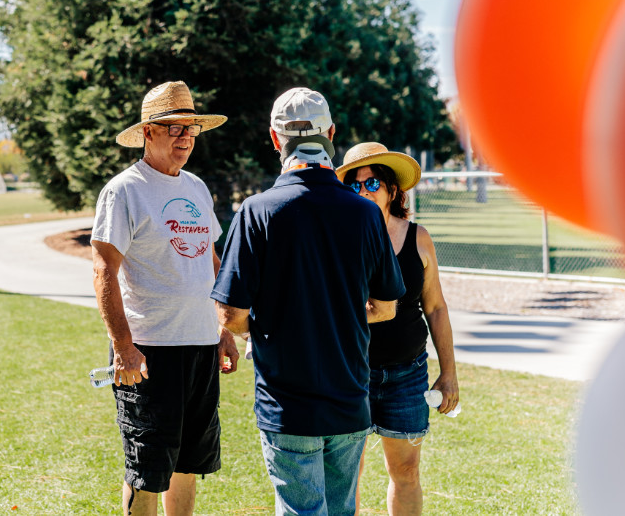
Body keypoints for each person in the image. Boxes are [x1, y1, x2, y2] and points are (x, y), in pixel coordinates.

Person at [212, 87, 406, 516]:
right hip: (349, 398)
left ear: (275, 139)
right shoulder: (366, 213)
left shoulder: (256, 211)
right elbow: (387, 307)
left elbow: (230, 314)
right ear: (332, 133)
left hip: (287, 403)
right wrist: (334, 317)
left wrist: (274, 325)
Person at [91, 80, 241, 516]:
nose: (185, 138)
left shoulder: (195, 187)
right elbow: (104, 270)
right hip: (149, 351)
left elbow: (210, 262)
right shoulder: (125, 190)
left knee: (188, 464)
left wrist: (222, 327)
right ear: (148, 133)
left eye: (191, 129)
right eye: (174, 128)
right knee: (147, 466)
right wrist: (122, 346)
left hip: (199, 347)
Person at [336, 142, 459, 516]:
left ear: (393, 190)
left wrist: (449, 373)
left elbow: (435, 307)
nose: (363, 193)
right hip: (351, 373)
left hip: (407, 375)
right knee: (346, 476)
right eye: (354, 186)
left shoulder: (418, 238)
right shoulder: (339, 241)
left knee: (405, 471)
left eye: (371, 184)